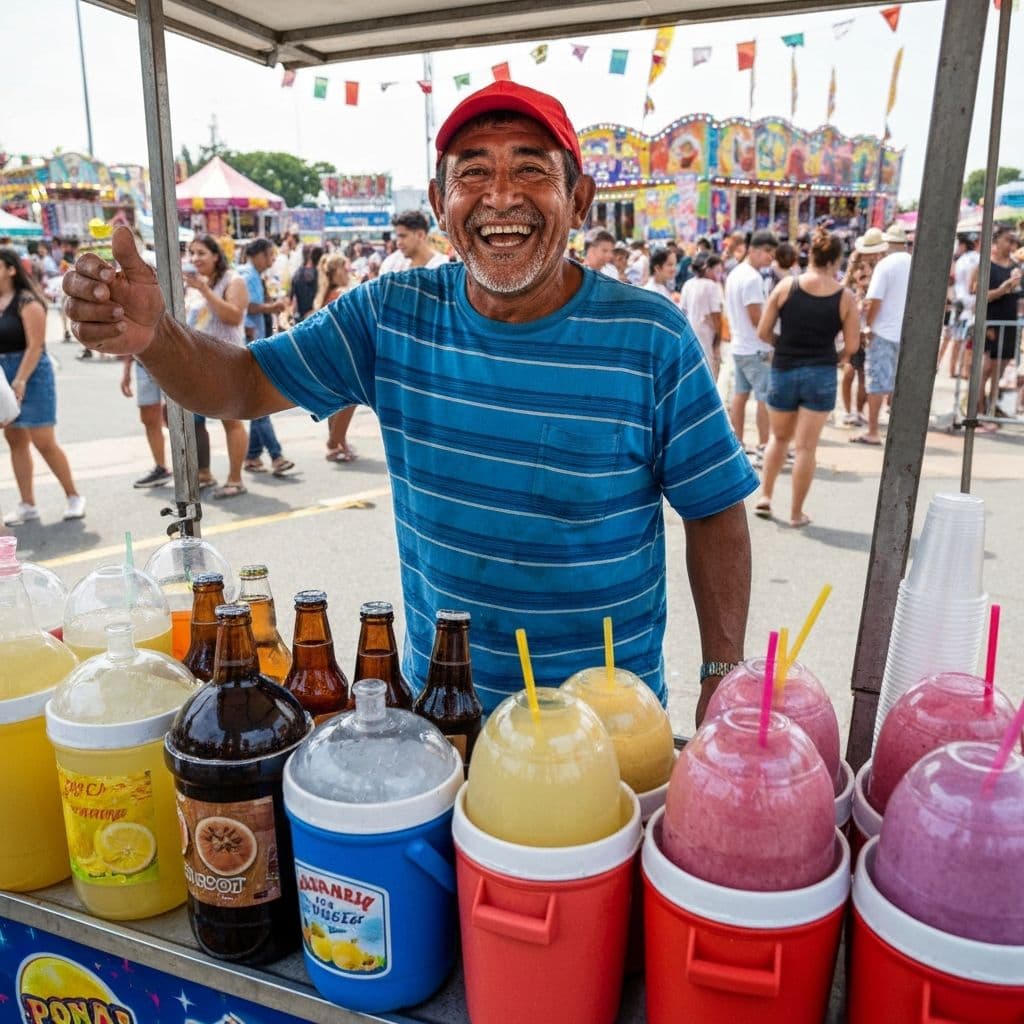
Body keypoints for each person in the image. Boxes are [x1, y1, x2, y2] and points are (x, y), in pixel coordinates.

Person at [64, 80, 757, 727]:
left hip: (609, 720)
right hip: (448, 712)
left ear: (579, 201)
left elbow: (715, 509)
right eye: (474, 172)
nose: (501, 196)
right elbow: (242, 384)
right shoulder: (390, 314)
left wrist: (721, 673)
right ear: (439, 200)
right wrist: (156, 337)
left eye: (532, 170)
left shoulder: (651, 335)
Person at [753, 229, 860, 527]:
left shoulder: (786, 286)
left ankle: (765, 496)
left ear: (810, 255)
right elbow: (851, 346)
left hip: (784, 368)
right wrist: (835, 357)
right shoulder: (844, 297)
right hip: (821, 372)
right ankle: (796, 512)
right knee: (806, 448)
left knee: (778, 438)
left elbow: (762, 331)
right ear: (836, 260)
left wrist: (783, 345)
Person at [0, 247, 85, 525]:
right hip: (4, 373)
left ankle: (73, 495)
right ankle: (28, 504)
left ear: (11, 269)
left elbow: (35, 346)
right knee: (14, 439)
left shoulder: (27, 301)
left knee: (43, 440)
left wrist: (20, 379)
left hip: (31, 372)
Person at [183, 235, 250, 497]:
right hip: (197, 363)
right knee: (194, 419)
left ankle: (235, 479)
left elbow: (233, 316)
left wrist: (204, 290)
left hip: (226, 361)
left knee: (230, 420)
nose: (195, 259)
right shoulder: (196, 285)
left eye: (201, 253)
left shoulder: (233, 281)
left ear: (216, 256)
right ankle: (204, 472)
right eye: (192, 253)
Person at [239, 238, 295, 477]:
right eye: (270, 255)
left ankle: (252, 456)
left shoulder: (253, 274)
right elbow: (249, 306)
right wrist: (272, 309)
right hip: (250, 343)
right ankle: (276, 455)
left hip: (256, 341)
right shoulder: (248, 274)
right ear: (258, 254)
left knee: (257, 401)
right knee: (259, 402)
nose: (272, 260)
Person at [854, 222, 912, 445]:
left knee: (877, 383)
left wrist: (868, 325)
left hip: (883, 331)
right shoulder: (914, 262)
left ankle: (873, 430)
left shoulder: (885, 265)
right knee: (899, 383)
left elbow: (874, 299)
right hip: (906, 332)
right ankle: (898, 431)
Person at [725, 230, 777, 465]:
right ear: (753, 250)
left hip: (740, 345)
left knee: (741, 396)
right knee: (764, 398)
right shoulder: (752, 278)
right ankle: (763, 447)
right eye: (767, 251)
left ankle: (737, 443)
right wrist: (775, 341)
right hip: (755, 347)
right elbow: (757, 318)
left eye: (772, 253)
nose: (770, 257)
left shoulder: (736, 273)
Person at [971, 224, 1021, 423]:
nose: (1011, 245)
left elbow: (1019, 298)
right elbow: (979, 295)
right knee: (985, 370)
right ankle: (980, 410)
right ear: (997, 240)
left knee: (999, 370)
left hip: (1009, 322)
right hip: (990, 322)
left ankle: (991, 410)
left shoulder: (1015, 267)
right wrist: (1003, 289)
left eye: (1013, 241)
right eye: (1008, 240)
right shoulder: (986, 265)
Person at [840, 228, 887, 427]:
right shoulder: (853, 275)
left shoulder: (880, 270)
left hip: (869, 330)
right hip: (852, 330)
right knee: (849, 371)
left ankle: (858, 412)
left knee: (862, 375)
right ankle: (848, 411)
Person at [315, 253, 359, 464]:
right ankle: (334, 443)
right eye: (346, 268)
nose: (348, 273)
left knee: (338, 403)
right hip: (344, 354)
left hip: (329, 353)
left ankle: (339, 442)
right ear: (339, 270)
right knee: (348, 401)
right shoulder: (341, 292)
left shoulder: (325, 293)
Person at [120, 354, 172, 487]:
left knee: (179, 417)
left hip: (172, 362)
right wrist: (126, 370)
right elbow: (128, 337)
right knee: (149, 418)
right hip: (143, 364)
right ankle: (161, 468)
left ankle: (193, 470)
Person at [679, 253, 723, 377]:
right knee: (711, 372)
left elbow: (683, 310)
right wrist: (718, 342)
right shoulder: (712, 286)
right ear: (707, 269)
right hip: (708, 335)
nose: (718, 275)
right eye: (717, 271)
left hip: (691, 334)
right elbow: (716, 316)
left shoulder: (688, 284)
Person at [379, 210, 448, 274]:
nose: (398, 243)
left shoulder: (443, 267)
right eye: (397, 237)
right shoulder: (391, 264)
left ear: (420, 235)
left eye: (403, 236)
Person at [289, 244, 323, 323]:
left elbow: (293, 301)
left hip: (302, 319)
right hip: (318, 318)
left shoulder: (297, 274)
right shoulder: (321, 275)